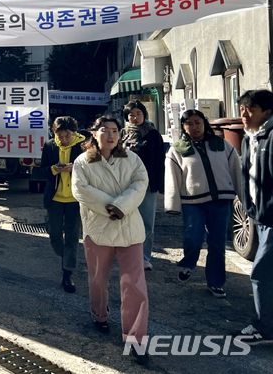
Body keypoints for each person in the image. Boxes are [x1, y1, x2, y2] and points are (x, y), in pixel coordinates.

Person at [72, 115, 149, 365]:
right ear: (93, 133)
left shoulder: (132, 159)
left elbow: (141, 183)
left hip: (129, 228)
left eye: (115, 130)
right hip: (99, 229)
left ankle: (135, 338)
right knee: (98, 279)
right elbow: (81, 190)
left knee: (134, 284)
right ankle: (99, 315)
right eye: (104, 130)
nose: (111, 135)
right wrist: (111, 208)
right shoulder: (83, 162)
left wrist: (121, 206)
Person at [164, 109, 241, 299]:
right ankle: (189, 263)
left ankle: (215, 282)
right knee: (193, 237)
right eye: (189, 123)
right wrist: (172, 204)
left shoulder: (222, 145)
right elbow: (172, 179)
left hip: (220, 200)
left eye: (198, 122)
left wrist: (243, 196)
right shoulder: (177, 149)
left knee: (217, 243)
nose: (194, 127)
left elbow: (236, 170)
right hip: (193, 202)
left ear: (204, 123)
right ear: (183, 127)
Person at [237, 89, 273, 344]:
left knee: (261, 273)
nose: (244, 114)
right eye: (242, 109)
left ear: (267, 111)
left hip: (272, 219)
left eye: (250, 109)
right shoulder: (250, 137)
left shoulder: (270, 136)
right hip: (259, 216)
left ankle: (266, 328)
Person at [40, 116, 86, 293]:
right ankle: (66, 256)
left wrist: (75, 167)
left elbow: (91, 169)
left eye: (67, 135)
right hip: (55, 199)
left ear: (73, 133)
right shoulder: (50, 145)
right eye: (59, 135)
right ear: (54, 132)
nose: (63, 139)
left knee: (72, 237)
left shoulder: (83, 146)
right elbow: (41, 171)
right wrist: (54, 169)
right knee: (55, 234)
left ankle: (67, 275)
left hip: (75, 200)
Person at [121, 101, 165, 271]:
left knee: (146, 222)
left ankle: (145, 257)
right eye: (131, 114)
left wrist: (159, 184)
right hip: (125, 185)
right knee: (126, 220)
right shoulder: (122, 134)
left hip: (147, 185)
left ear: (144, 115)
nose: (135, 117)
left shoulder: (153, 134)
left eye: (138, 114)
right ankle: (127, 254)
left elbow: (160, 160)